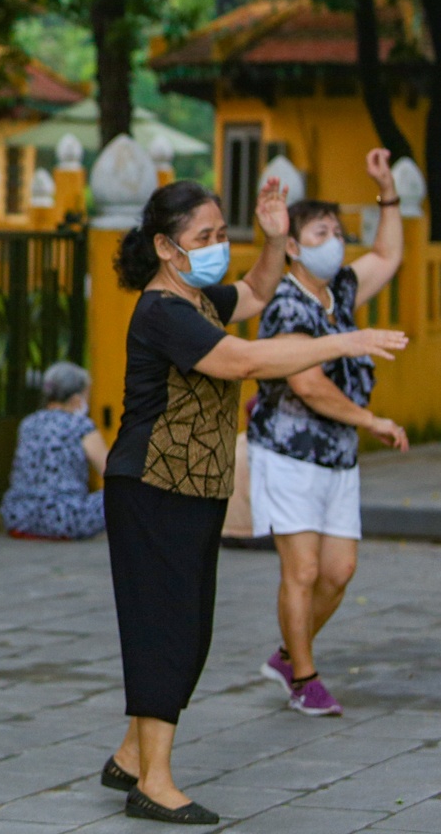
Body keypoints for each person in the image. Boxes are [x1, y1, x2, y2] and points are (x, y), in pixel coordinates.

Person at [100, 179, 405, 825]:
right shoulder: (162, 311)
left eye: (220, 234)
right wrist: (343, 341)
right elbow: (242, 360)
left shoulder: (197, 297)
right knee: (167, 633)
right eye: (202, 238)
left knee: (187, 629)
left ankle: (132, 755)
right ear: (164, 246)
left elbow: (259, 292)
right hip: (153, 487)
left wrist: (271, 240)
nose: (216, 247)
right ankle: (153, 781)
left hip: (193, 486)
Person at [247, 151, 411, 717]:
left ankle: (289, 654)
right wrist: (372, 421)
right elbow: (308, 384)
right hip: (289, 453)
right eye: (321, 232)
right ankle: (305, 678)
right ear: (292, 246)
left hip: (337, 458)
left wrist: (386, 190)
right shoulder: (286, 306)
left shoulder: (337, 291)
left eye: (338, 232)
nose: (334, 241)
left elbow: (388, 254)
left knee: (340, 572)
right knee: (305, 569)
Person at [0, 361, 108, 541]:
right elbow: (110, 471)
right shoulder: (81, 426)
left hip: (19, 517)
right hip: (64, 519)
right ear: (75, 399)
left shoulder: (28, 424)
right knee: (124, 491)